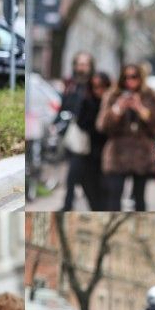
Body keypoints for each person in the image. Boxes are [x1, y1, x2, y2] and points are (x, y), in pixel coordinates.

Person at [96, 63, 155, 211]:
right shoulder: (113, 95)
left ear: (141, 78)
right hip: (117, 153)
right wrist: (118, 109)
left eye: (134, 77)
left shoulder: (151, 95)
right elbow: (102, 125)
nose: (130, 81)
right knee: (114, 197)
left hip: (141, 153)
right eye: (126, 77)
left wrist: (140, 108)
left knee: (139, 199)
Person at [60, 52, 96, 211]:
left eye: (85, 64)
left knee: (80, 175)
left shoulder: (94, 85)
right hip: (73, 136)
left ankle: (69, 205)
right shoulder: (71, 84)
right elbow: (64, 107)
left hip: (91, 138)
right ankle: (71, 204)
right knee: (77, 175)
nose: (81, 68)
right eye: (79, 64)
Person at [75, 71, 113, 210]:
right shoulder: (86, 101)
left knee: (107, 190)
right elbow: (80, 122)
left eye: (102, 86)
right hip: (88, 153)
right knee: (90, 188)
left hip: (108, 153)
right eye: (95, 87)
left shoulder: (112, 103)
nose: (99, 90)